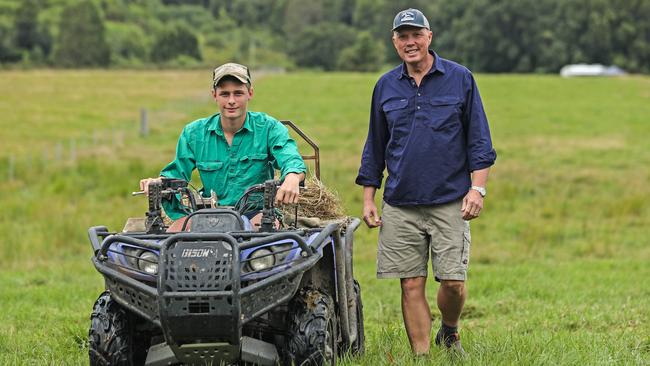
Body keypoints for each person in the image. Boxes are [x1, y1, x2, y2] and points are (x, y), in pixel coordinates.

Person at [355, 9, 496, 356]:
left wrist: (477, 189)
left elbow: (479, 140)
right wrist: (369, 198)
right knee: (411, 283)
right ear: (394, 41)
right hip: (400, 202)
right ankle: (422, 356)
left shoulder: (460, 78)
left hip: (450, 199)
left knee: (453, 282)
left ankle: (449, 330)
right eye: (402, 36)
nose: (410, 42)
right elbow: (375, 145)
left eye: (416, 34)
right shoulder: (385, 86)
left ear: (429, 37)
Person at [140, 62, 306, 226]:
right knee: (171, 244)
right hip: (209, 214)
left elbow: (290, 157)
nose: (231, 101)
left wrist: (292, 177)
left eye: (238, 93)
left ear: (250, 93)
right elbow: (176, 173)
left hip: (258, 213)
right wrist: (158, 182)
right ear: (214, 95)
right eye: (225, 94)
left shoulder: (269, 128)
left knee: (266, 247)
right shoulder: (194, 133)